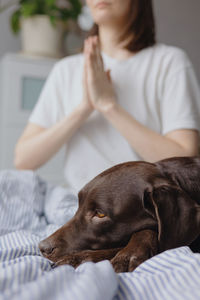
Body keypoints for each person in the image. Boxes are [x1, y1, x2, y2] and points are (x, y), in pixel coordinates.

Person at [14, 0, 200, 192]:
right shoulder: (66, 70)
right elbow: (23, 159)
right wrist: (83, 109)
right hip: (78, 205)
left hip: (142, 205)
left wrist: (108, 106)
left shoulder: (170, 62)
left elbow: (183, 160)